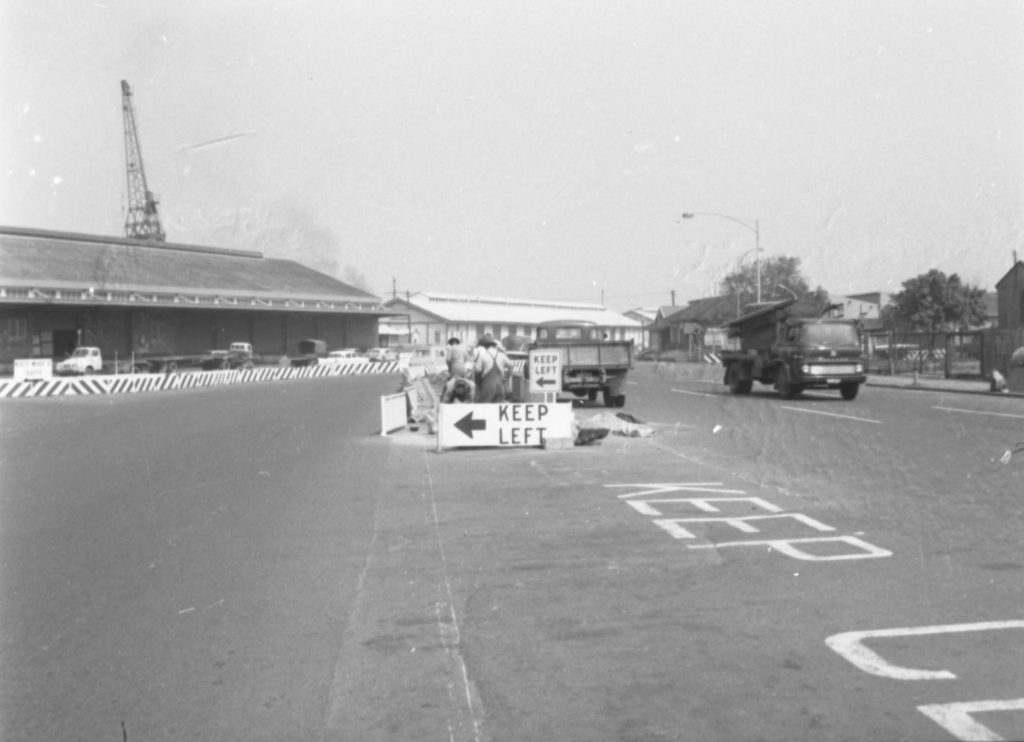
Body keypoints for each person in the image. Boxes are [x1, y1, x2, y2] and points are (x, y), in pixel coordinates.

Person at [473, 333, 511, 403]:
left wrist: (478, 382)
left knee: (485, 406)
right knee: (498, 406)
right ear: (494, 346)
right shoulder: (501, 355)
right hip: (500, 385)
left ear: (485, 346)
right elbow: (511, 365)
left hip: (487, 385)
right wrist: (507, 377)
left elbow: (477, 370)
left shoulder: (483, 355)